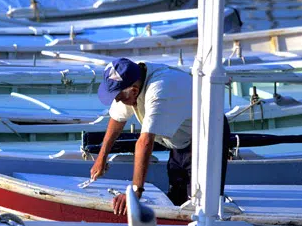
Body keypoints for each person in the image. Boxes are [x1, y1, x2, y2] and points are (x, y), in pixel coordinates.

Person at [90, 57, 230, 215]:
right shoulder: (135, 80)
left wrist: (135, 192)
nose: (118, 101)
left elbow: (145, 142)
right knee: (177, 197)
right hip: (181, 140)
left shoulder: (160, 90)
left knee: (201, 204)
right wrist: (102, 157)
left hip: (209, 137)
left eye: (119, 98)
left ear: (134, 91)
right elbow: (117, 118)